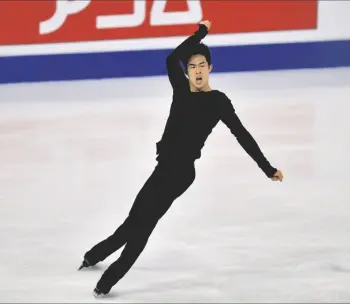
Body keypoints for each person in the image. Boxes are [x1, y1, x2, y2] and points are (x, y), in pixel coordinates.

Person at [78, 20, 284, 297]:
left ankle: (107, 282)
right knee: (134, 221)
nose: (197, 71)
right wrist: (200, 33)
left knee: (142, 226)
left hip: (180, 174)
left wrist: (267, 168)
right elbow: (170, 58)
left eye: (202, 65)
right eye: (192, 66)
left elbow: (243, 136)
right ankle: (94, 255)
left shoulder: (219, 102)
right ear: (186, 72)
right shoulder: (181, 89)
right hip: (163, 168)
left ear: (210, 68)